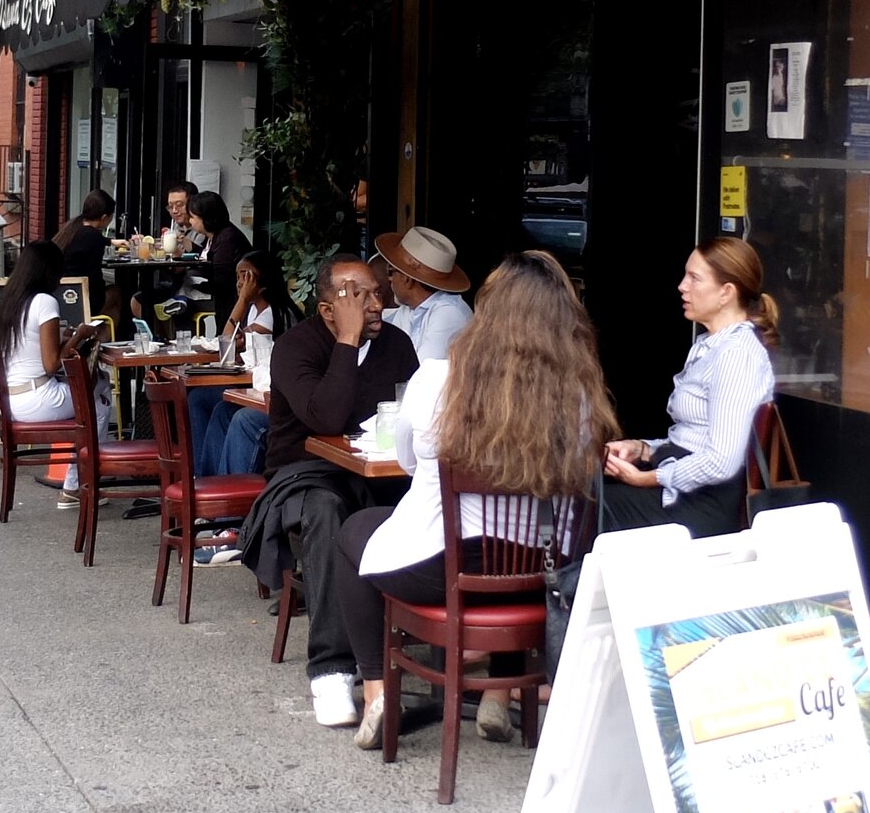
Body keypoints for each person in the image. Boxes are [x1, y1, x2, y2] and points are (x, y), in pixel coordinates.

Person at [335, 251, 613, 747]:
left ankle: (378, 691)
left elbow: (409, 462)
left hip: (440, 567)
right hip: (537, 571)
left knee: (354, 532)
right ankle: (498, 693)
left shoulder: (437, 379)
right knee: (508, 541)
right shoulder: (578, 397)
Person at [234, 252, 422, 728]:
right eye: (357, 296)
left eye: (376, 292)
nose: (375, 303)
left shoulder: (398, 346)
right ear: (326, 309)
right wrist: (347, 340)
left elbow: (416, 418)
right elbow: (326, 418)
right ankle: (333, 670)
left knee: (425, 504)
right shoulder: (296, 348)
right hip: (304, 476)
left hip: (378, 474)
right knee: (328, 509)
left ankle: (424, 639)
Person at [600, 237, 779, 536]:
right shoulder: (711, 345)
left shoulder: (736, 355)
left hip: (702, 505)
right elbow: (693, 438)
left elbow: (722, 461)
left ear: (726, 293)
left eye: (694, 278)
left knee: (579, 507)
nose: (682, 286)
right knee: (585, 491)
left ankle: (564, 583)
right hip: (685, 491)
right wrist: (642, 450)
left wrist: (651, 477)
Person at [0, 239, 102, 507]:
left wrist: (65, 338)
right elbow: (51, 363)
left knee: (95, 390)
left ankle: (79, 483)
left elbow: (31, 347)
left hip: (12, 401)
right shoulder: (45, 302)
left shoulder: (10, 300)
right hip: (38, 398)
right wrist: (80, 336)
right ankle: (78, 485)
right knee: (100, 392)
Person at [190, 249, 296, 477]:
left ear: (263, 280)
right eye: (238, 277)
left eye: (246, 277)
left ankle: (204, 476)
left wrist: (241, 300)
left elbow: (226, 345)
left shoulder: (272, 314)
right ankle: (208, 478)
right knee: (216, 406)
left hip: (265, 387)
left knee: (199, 398)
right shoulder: (254, 311)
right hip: (252, 382)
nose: (240, 283)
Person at [376, 225, 474, 360]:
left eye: (391, 271)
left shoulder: (449, 313)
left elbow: (418, 372)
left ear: (407, 279)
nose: (390, 279)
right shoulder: (409, 308)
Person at [186, 191, 249, 319]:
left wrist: (195, 286)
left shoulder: (226, 239)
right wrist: (189, 248)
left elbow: (221, 280)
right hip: (225, 301)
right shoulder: (212, 237)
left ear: (206, 217)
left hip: (235, 302)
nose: (190, 221)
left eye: (192, 217)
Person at [53, 189, 114, 315]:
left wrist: (110, 242)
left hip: (60, 294)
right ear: (104, 218)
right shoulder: (94, 237)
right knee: (117, 294)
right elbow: (95, 277)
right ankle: (100, 333)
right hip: (81, 298)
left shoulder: (71, 228)